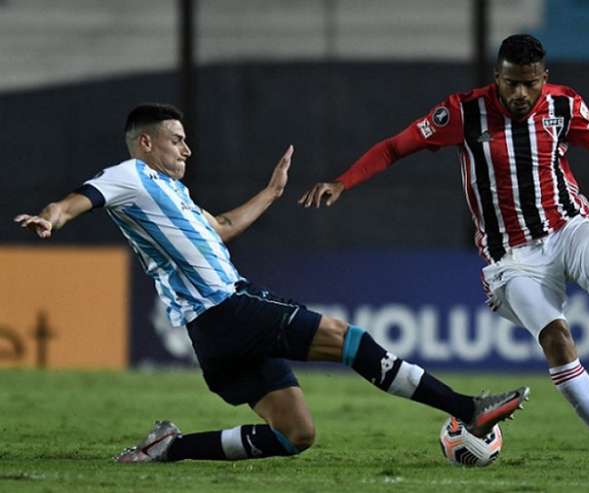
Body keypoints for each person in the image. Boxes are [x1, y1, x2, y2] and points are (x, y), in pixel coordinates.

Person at [299, 35, 589, 471]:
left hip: (567, 225)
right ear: (497, 77)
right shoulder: (462, 112)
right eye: (511, 83)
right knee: (557, 340)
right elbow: (396, 147)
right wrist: (344, 181)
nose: (520, 93)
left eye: (529, 83)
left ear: (543, 78)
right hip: (510, 257)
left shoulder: (564, 105)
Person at [14, 103, 529, 464]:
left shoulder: (173, 194)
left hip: (214, 337)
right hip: (227, 309)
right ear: (146, 143)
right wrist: (52, 217)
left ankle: (170, 448)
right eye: (177, 140)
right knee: (350, 339)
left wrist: (271, 192)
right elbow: (82, 196)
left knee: (296, 435)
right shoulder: (130, 175)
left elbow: (222, 228)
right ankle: (468, 409)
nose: (187, 149)